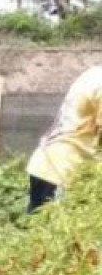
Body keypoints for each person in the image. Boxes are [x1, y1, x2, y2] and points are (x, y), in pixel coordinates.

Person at [26, 65, 102, 213]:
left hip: (49, 161)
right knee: (54, 224)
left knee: (39, 223)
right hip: (61, 170)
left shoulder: (95, 73)